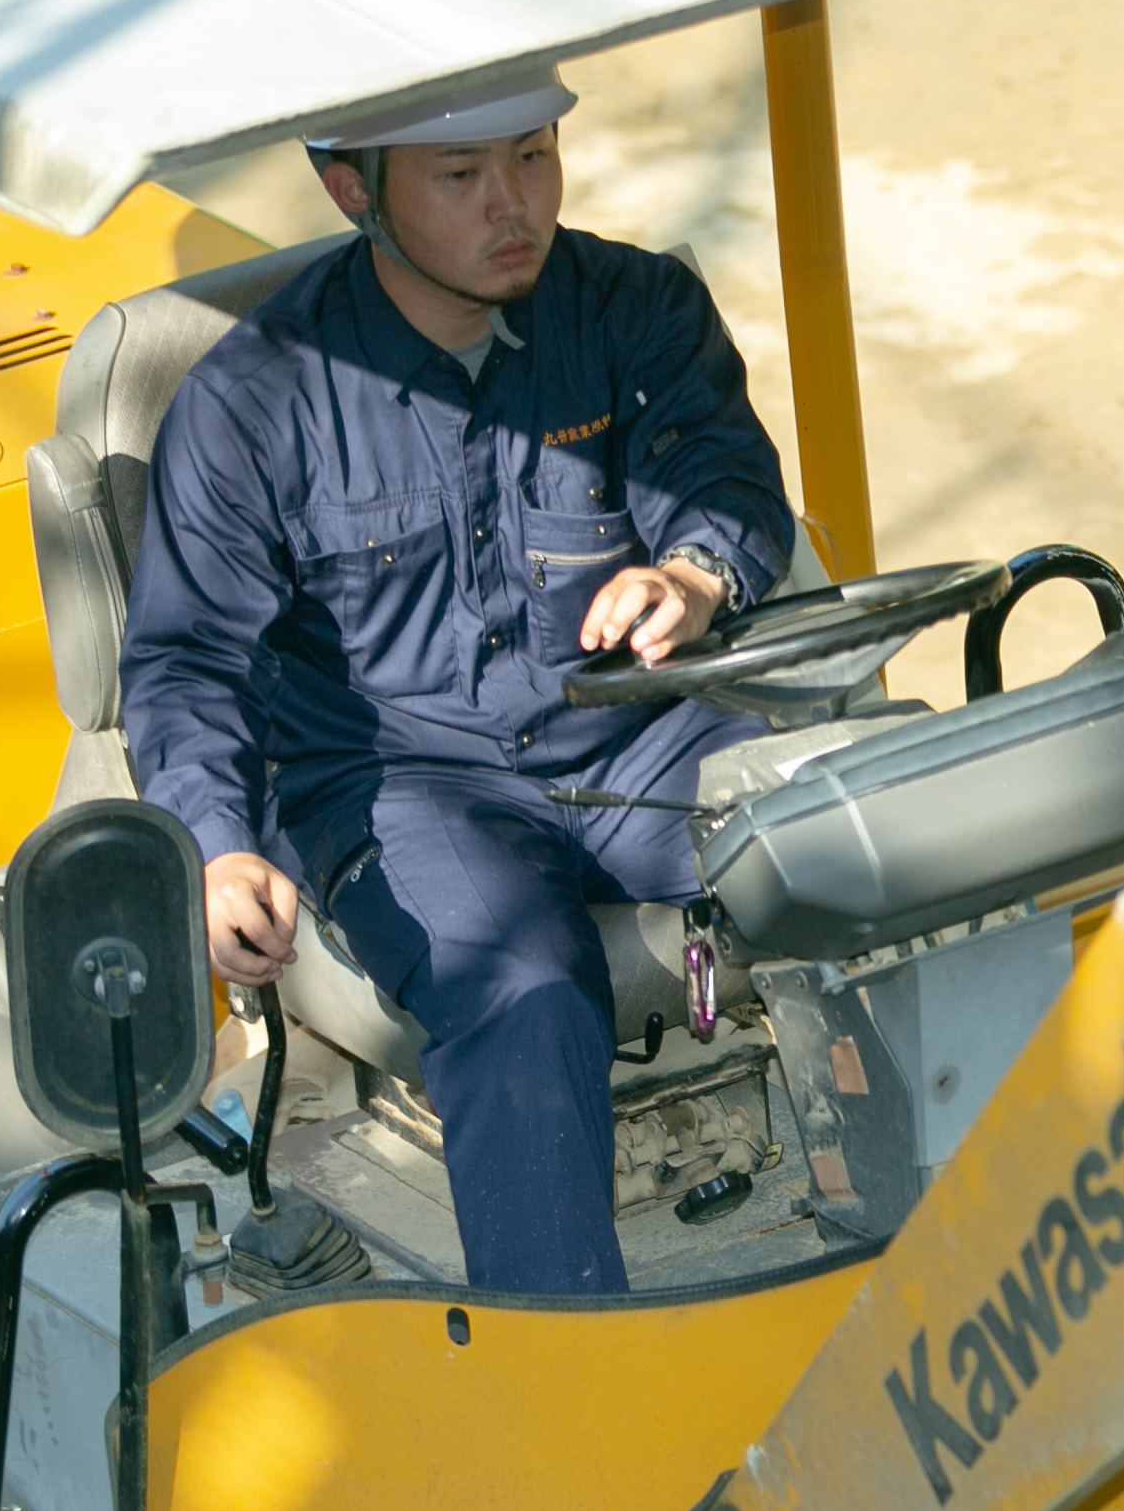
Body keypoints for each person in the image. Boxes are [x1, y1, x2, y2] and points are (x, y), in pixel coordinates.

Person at [119, 69, 796, 1295]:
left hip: (631, 732)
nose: (512, 203)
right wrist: (216, 847)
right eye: (460, 175)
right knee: (521, 989)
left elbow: (724, 477)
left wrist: (694, 575)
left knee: (865, 844)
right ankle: (567, 1372)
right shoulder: (251, 404)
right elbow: (188, 659)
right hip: (400, 782)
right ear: (354, 192)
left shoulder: (636, 309)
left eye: (533, 156)